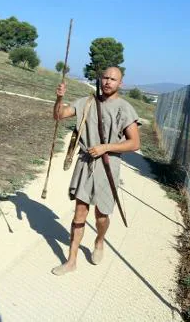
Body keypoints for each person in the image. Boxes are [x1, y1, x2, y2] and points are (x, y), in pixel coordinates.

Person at [51, 66, 140, 276]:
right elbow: (59, 115)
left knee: (102, 215)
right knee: (80, 211)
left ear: (121, 83)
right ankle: (71, 260)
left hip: (108, 165)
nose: (108, 82)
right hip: (85, 162)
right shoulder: (87, 102)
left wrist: (106, 147)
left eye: (113, 79)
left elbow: (134, 143)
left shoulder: (124, 108)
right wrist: (59, 98)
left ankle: (100, 240)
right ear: (100, 79)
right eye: (105, 78)